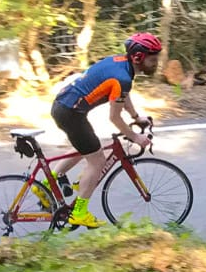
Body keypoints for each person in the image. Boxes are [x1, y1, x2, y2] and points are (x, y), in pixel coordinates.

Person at [50, 33, 161, 228]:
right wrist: (136, 137)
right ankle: (79, 212)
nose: (156, 63)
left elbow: (122, 95)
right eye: (153, 59)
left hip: (65, 107)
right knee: (98, 160)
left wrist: (136, 117)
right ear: (138, 57)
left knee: (88, 147)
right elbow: (114, 118)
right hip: (70, 113)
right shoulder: (123, 77)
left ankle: (45, 187)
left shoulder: (120, 62)